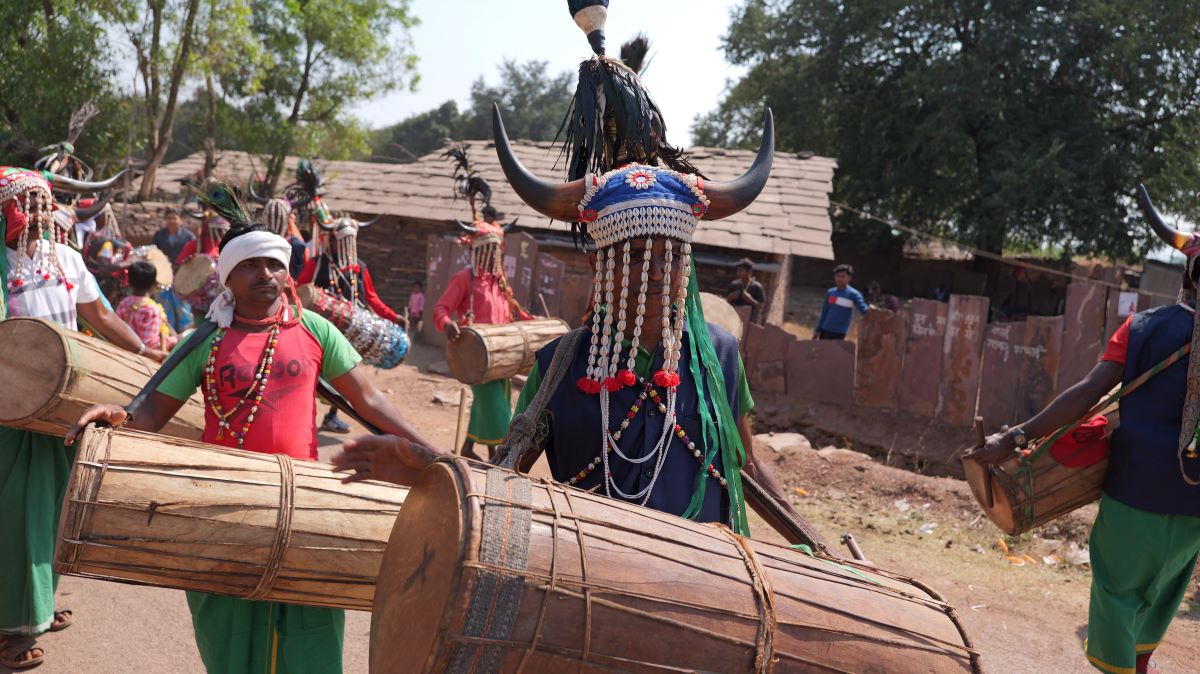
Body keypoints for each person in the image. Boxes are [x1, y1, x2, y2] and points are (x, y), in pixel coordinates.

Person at [345, 9, 812, 542]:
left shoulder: (720, 355)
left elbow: (747, 467)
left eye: (671, 254)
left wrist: (820, 550)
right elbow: (501, 483)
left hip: (702, 599)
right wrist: (425, 465)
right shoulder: (561, 363)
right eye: (634, 254)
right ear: (600, 265)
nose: (658, 269)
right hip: (587, 599)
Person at [69, 196, 439, 674]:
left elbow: (369, 400)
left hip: (303, 502)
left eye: (273, 264)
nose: (264, 274)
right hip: (225, 502)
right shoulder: (204, 340)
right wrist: (118, 417)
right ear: (228, 277)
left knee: (310, 622)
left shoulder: (316, 330)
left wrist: (431, 453)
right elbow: (153, 409)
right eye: (250, 266)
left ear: (287, 274)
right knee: (227, 623)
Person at [969, 186, 1200, 674]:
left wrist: (1014, 437)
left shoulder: (1143, 328)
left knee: (1117, 588)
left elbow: (1086, 393)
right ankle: (1141, 664)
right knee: (1164, 587)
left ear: (1188, 275)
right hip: (1195, 502)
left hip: (1136, 488)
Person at [0, 167, 163, 670]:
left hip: (68, 405)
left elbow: (103, 317)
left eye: (39, 202)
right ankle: (16, 629)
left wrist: (147, 355)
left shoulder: (67, 260)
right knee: (22, 514)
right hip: (13, 412)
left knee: (56, 510)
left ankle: (36, 607)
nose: (35, 213)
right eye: (25, 203)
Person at [434, 204, 533, 461]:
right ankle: (497, 455)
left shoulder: (500, 281)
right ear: (478, 250)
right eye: (489, 250)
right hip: (475, 355)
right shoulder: (464, 278)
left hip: (504, 354)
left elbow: (514, 311)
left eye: (496, 250)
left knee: (491, 403)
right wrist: (446, 323)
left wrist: (533, 321)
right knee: (497, 408)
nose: (493, 255)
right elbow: (441, 309)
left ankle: (468, 449)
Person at [297, 214, 405, 433]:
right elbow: (300, 289)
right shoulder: (317, 264)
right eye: (340, 240)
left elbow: (372, 298)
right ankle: (305, 416)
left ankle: (332, 415)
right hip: (319, 330)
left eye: (348, 240)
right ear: (332, 240)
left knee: (345, 376)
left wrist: (393, 317)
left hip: (348, 332)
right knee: (313, 374)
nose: (344, 245)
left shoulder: (359, 268)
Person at [115, 260, 176, 353]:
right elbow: (149, 344)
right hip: (145, 353)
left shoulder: (124, 303)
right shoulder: (152, 310)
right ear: (154, 284)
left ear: (129, 281)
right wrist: (172, 341)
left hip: (123, 347)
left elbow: (117, 328)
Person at [814, 263, 871, 340]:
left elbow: (864, 310)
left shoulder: (853, 294)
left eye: (843, 276)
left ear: (849, 278)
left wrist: (874, 313)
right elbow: (824, 312)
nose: (839, 279)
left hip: (839, 332)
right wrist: (817, 330)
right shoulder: (830, 292)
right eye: (837, 276)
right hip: (825, 329)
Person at [255, 197, 306, 279]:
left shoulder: (296, 245)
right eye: (270, 216)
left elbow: (299, 277)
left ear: (287, 219)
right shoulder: (256, 241)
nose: (274, 220)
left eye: (277, 216)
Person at [725, 257, 766, 323]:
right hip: (733, 320)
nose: (738, 273)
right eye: (738, 270)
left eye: (741, 270)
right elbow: (725, 302)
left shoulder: (756, 287)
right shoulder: (734, 285)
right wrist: (730, 297)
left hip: (749, 322)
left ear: (749, 272)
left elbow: (761, 306)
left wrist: (750, 299)